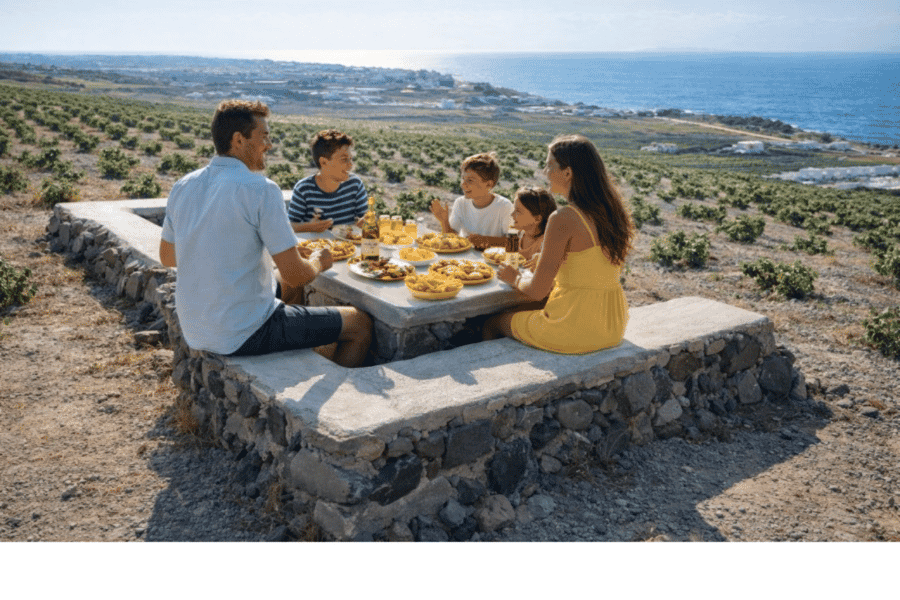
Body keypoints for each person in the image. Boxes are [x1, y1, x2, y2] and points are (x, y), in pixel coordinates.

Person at [159, 100, 372, 367]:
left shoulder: (183, 185)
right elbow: (298, 274)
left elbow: (168, 257)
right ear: (239, 140)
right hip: (242, 332)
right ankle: (336, 388)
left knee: (286, 284)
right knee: (359, 324)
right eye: (264, 137)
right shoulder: (261, 189)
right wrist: (320, 260)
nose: (269, 145)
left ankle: (300, 346)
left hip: (195, 327)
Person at [483, 134, 634, 354]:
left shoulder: (563, 218)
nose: (545, 172)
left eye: (549, 165)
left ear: (567, 173)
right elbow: (590, 269)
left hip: (573, 326)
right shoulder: (613, 213)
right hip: (612, 325)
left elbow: (536, 291)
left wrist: (514, 277)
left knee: (492, 323)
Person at [287, 129, 368, 233]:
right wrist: (309, 227)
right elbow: (289, 226)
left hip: (346, 243)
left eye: (351, 159)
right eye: (344, 159)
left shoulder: (355, 184)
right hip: (317, 243)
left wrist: (366, 222)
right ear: (324, 162)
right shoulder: (304, 189)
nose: (351, 165)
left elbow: (364, 218)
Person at [429, 152, 513, 250]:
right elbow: (451, 239)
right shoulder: (460, 203)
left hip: (493, 258)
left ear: (489, 184)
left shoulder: (504, 206)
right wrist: (444, 221)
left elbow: (514, 242)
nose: (463, 184)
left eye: (470, 180)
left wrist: (486, 240)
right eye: (462, 179)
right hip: (466, 258)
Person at [509, 186, 557, 269]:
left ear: (537, 218)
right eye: (514, 209)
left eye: (518, 211)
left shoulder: (544, 245)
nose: (512, 214)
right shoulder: (518, 233)